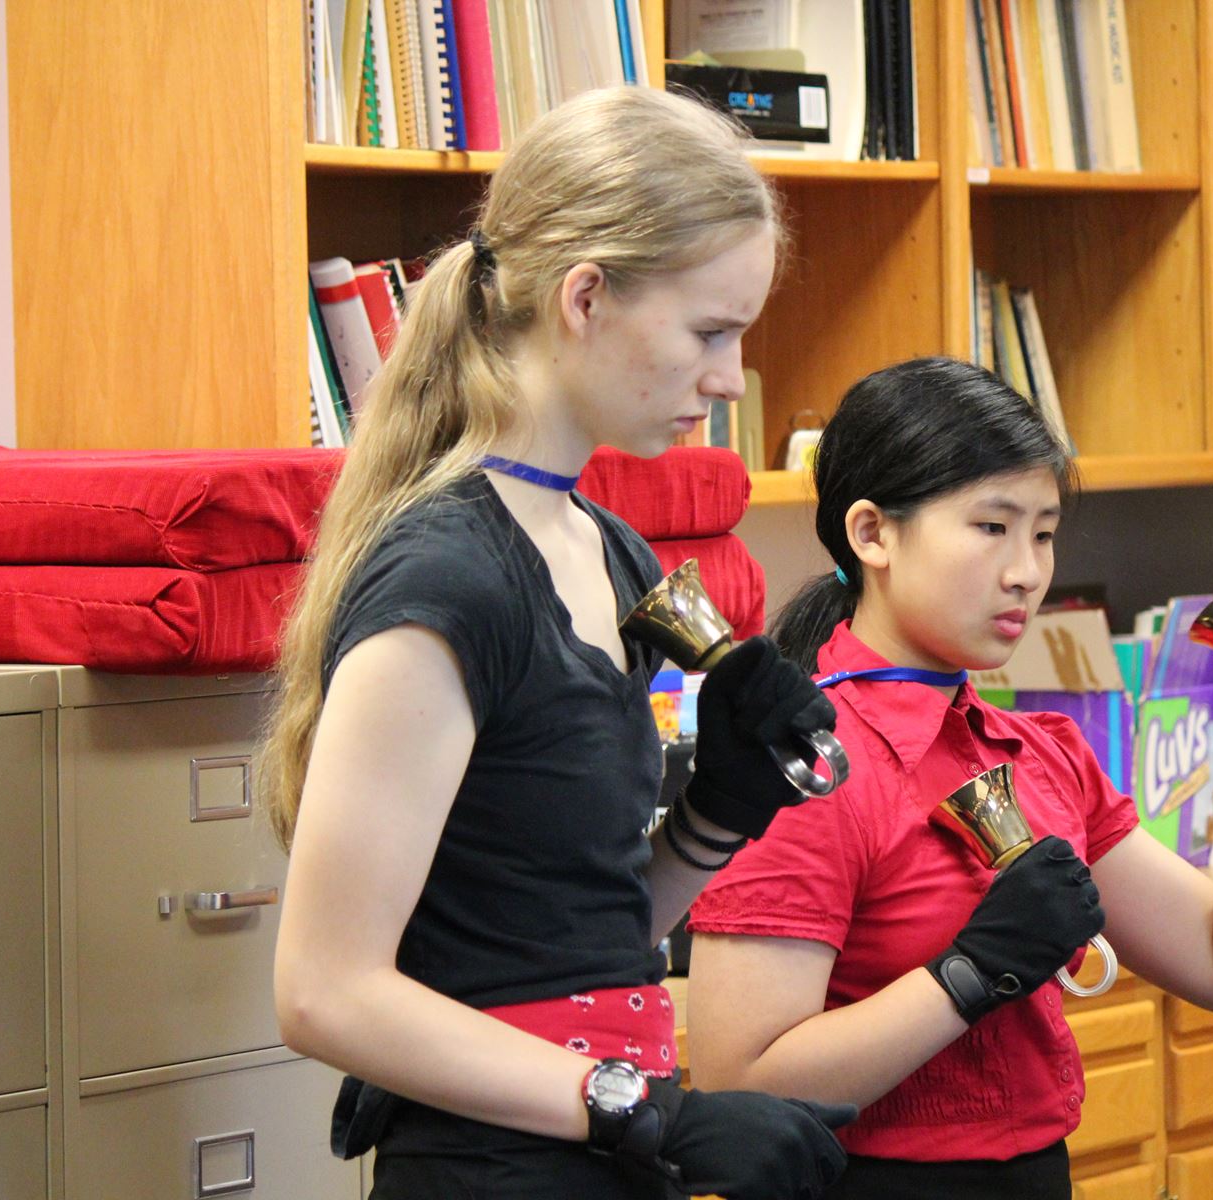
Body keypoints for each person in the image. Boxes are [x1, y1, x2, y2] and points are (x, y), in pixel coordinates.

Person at [260, 87, 855, 1200]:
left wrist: (717, 814)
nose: (728, 376)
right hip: (491, 1173)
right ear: (585, 296)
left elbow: (579, 937)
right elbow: (325, 993)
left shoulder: (609, 550)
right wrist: (638, 1108)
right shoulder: (447, 577)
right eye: (710, 332)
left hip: (599, 1156)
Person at [683, 356, 1213, 1200]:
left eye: (1044, 533)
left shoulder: (1039, 753)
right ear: (871, 534)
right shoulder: (805, 768)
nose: (1026, 571)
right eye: (992, 526)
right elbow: (738, 1091)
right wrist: (970, 974)